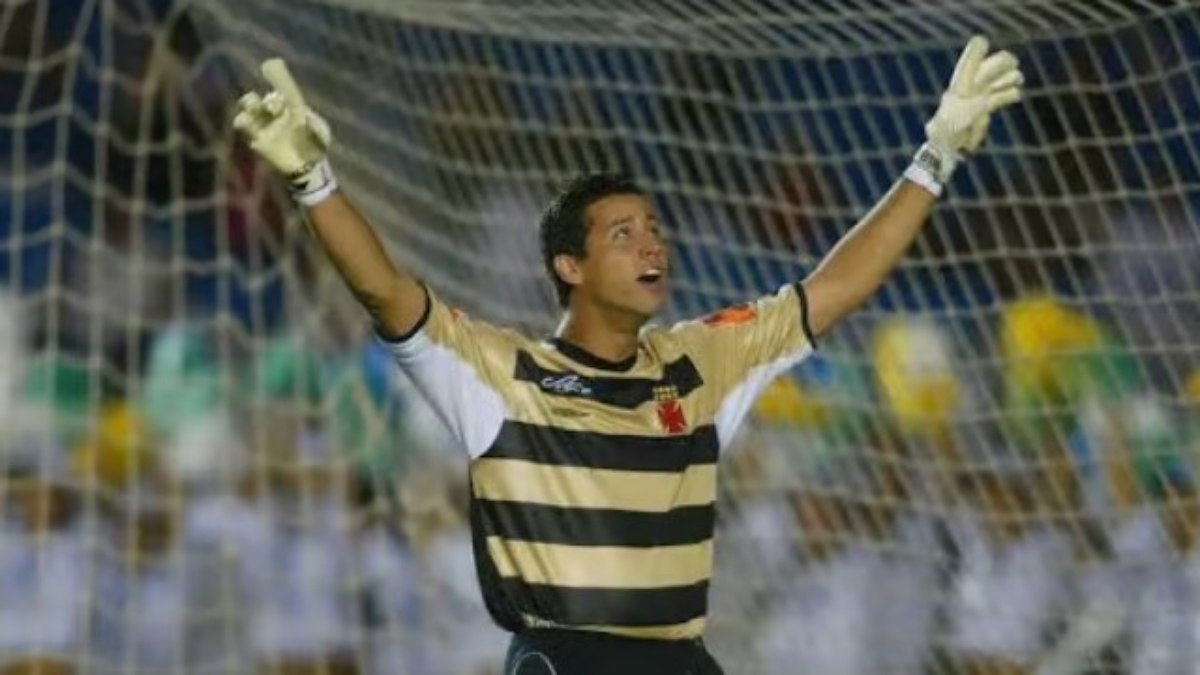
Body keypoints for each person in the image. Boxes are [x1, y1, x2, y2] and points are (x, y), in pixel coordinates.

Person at [233, 36, 1024, 675]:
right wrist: (314, 181)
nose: (652, 245)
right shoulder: (503, 374)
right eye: (624, 234)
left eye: (654, 229)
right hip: (566, 661)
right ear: (569, 267)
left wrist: (934, 156)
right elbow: (387, 291)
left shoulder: (703, 360)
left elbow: (835, 287)